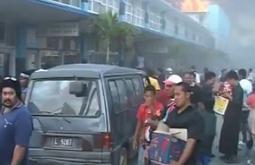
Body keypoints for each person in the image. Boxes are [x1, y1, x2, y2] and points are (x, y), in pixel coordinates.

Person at [165, 82, 204, 165]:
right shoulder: (172, 113)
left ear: (187, 95)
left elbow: (191, 141)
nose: (175, 98)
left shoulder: (195, 116)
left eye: (178, 95)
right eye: (174, 95)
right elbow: (164, 130)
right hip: (169, 159)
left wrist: (179, 163)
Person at [0, 77, 33, 165]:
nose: (7, 97)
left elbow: (21, 147)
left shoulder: (22, 115)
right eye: (5, 93)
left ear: (17, 94)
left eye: (11, 94)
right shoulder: (3, 111)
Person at [133, 85, 164, 165]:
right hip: (143, 140)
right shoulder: (142, 107)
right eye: (146, 96)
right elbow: (139, 122)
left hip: (155, 141)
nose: (147, 98)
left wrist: (151, 108)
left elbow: (159, 123)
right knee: (142, 161)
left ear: (154, 96)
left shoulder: (160, 107)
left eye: (150, 96)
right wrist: (135, 138)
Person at [219, 70, 243, 163]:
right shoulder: (233, 88)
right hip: (229, 114)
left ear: (233, 79)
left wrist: (228, 96)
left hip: (235, 116)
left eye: (229, 80)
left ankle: (233, 156)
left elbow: (237, 103)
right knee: (226, 134)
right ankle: (227, 153)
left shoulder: (239, 89)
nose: (228, 82)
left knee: (233, 135)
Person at [198, 72, 217, 165]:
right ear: (210, 79)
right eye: (214, 79)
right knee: (208, 134)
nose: (214, 81)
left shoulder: (208, 88)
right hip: (207, 113)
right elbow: (204, 101)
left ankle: (208, 152)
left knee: (211, 133)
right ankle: (205, 154)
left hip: (211, 112)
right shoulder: (206, 88)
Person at [238, 69, 253, 146]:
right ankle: (249, 138)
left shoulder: (240, 83)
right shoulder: (249, 83)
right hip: (249, 105)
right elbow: (250, 94)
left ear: (240, 75)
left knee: (243, 123)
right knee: (246, 123)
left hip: (242, 106)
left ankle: (245, 139)